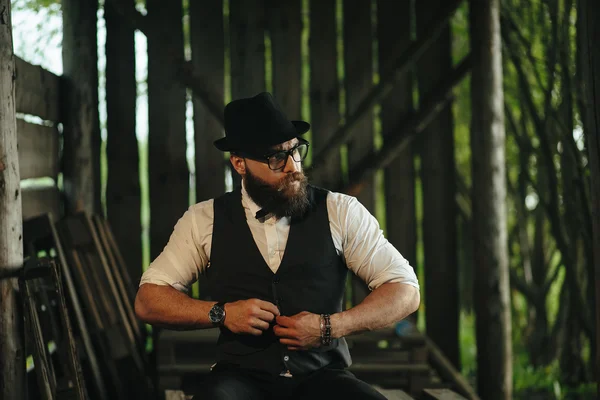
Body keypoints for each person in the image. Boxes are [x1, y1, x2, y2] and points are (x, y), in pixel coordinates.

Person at [135, 92, 420, 399]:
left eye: (296, 151)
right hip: (239, 381)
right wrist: (222, 313)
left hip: (322, 377)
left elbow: (405, 291)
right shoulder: (204, 219)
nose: (292, 167)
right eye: (275, 158)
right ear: (240, 163)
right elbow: (148, 300)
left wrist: (329, 326)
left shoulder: (340, 211)